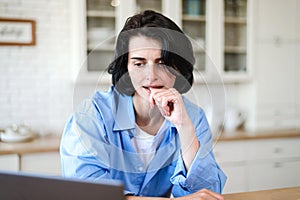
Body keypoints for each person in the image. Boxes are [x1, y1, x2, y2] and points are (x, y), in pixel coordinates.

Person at [60, 10, 226, 200]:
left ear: (178, 67)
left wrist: (184, 127)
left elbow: (207, 194)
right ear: (126, 68)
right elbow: (88, 193)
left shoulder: (193, 117)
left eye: (163, 63)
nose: (151, 76)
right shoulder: (91, 115)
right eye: (139, 64)